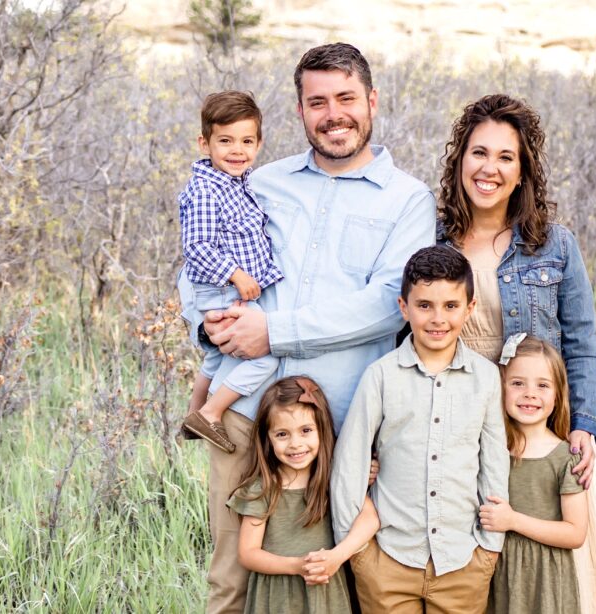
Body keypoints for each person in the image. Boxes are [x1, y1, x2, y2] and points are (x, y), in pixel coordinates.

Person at [182, 42, 436, 614]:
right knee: (232, 579)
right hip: (247, 417)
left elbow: (386, 303)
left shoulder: (408, 201)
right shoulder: (260, 182)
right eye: (317, 101)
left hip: (340, 428)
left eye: (346, 97)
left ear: (371, 101)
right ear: (299, 111)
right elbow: (195, 263)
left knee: (347, 579)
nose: (333, 114)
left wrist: (273, 332)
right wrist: (209, 324)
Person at [436, 94, 596, 612]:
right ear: (460, 160)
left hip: (537, 427)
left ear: (522, 172)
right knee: (473, 562)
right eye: (478, 153)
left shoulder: (555, 245)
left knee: (543, 565)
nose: (489, 168)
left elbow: (582, 343)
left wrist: (584, 423)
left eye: (505, 157)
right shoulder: (433, 238)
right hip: (460, 423)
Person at [331, 245, 509, 614]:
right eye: (424, 305)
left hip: (463, 562)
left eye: (450, 306)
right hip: (389, 561)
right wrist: (360, 554)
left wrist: (489, 549)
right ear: (404, 307)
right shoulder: (380, 376)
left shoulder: (486, 378)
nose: (437, 318)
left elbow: (494, 465)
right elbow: (350, 462)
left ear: (470, 308)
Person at [178, 91, 284, 453]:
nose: (237, 150)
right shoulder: (207, 190)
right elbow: (197, 248)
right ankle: (211, 412)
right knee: (268, 354)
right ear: (204, 143)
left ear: (259, 143)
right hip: (223, 289)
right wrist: (237, 274)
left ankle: (193, 414)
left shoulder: (238, 182)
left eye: (246, 141)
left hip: (227, 288)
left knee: (216, 356)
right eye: (225, 141)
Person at [228, 376, 379, 614]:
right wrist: (298, 566)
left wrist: (336, 557)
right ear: (268, 438)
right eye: (282, 434)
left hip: (326, 591)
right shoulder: (264, 487)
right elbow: (248, 554)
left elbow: (370, 518)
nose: (295, 444)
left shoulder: (333, 480)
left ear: (322, 429)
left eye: (306, 430)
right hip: (278, 598)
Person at [480, 334, 588, 614]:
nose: (530, 393)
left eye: (542, 385)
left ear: (557, 394)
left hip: (545, 580)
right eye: (517, 383)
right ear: (500, 388)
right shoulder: (489, 448)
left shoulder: (566, 456)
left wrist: (513, 520)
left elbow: (575, 532)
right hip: (497, 572)